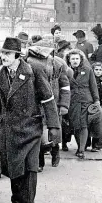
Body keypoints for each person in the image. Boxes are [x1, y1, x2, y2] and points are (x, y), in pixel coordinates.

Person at [0, 37, 59, 203]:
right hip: (8, 128)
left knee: (30, 168)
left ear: (17, 55)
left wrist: (53, 127)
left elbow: (48, 99)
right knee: (13, 167)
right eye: (2, 53)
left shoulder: (33, 71)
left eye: (8, 53)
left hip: (30, 128)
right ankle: (17, 201)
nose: (4, 56)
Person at [28, 39, 70, 170]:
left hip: (55, 104)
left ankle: (55, 152)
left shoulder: (58, 64)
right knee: (39, 133)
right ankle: (39, 161)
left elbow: (65, 86)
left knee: (55, 131)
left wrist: (64, 104)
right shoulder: (33, 64)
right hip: (38, 105)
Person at [65, 49, 100, 159]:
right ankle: (80, 146)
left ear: (81, 60)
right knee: (75, 125)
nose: (75, 61)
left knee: (84, 124)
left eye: (77, 58)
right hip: (72, 100)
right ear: (69, 60)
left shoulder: (88, 70)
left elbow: (93, 86)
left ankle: (81, 149)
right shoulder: (66, 71)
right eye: (73, 59)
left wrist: (97, 100)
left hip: (86, 100)